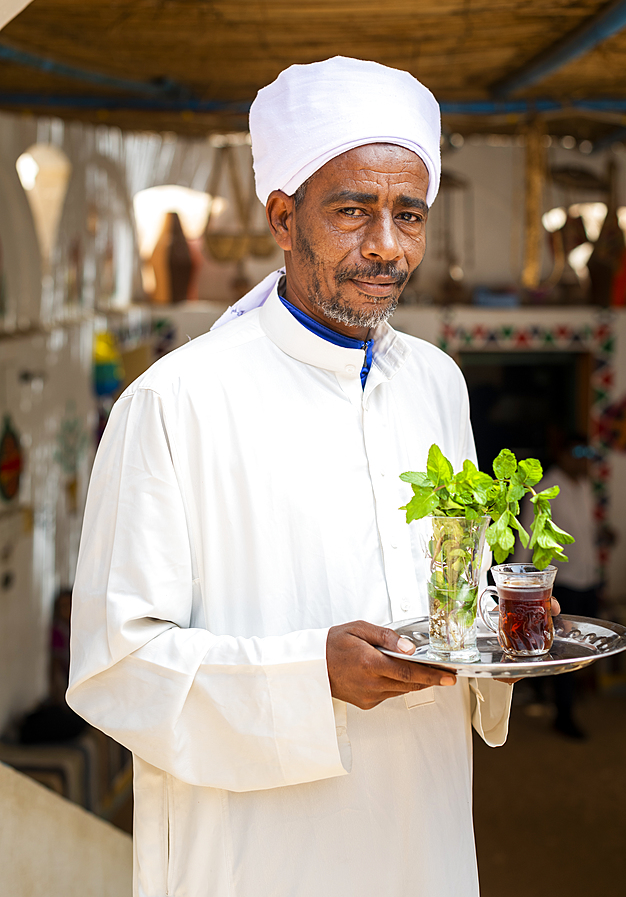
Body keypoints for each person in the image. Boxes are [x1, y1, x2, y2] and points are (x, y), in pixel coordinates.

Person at [67, 57, 513, 897]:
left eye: (407, 215)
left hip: (424, 833)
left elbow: (454, 592)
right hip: (257, 857)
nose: (385, 246)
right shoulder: (176, 402)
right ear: (282, 215)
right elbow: (113, 668)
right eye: (352, 211)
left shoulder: (435, 383)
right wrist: (313, 678)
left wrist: (504, 623)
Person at [518, 432, 599, 738]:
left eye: (588, 451)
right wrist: (521, 585)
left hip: (587, 579)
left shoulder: (586, 486)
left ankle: (552, 693)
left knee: (579, 643)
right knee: (563, 650)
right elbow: (527, 539)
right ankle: (563, 713)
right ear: (562, 453)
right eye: (578, 451)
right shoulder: (545, 490)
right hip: (561, 585)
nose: (584, 457)